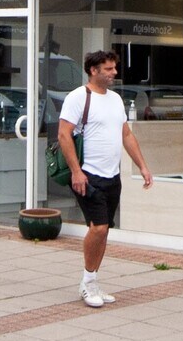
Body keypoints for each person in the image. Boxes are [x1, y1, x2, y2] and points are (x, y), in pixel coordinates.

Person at [56, 49, 152, 308]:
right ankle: (87, 283)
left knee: (103, 230)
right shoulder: (78, 97)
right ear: (93, 70)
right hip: (88, 175)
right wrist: (76, 172)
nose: (114, 73)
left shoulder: (116, 100)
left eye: (114, 68)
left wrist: (142, 166)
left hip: (112, 175)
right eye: (108, 69)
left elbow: (127, 135)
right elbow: (64, 135)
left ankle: (93, 280)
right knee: (98, 227)